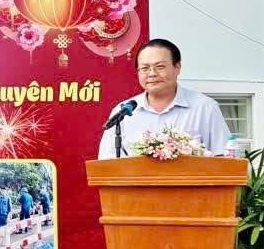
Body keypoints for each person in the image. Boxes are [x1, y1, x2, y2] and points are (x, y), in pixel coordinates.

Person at [98, 38, 231, 159]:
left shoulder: (205, 107)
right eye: (145, 68)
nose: (152, 74)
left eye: (160, 67)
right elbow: (106, 163)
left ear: (177, 67)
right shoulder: (123, 112)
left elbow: (224, 159)